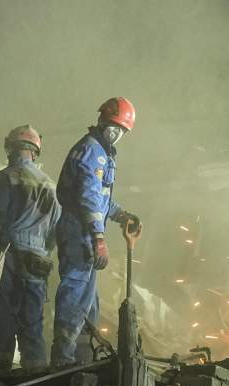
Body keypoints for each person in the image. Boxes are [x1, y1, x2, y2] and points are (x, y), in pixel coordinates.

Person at [51, 97, 142, 366]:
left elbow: (100, 199)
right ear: (105, 123)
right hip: (79, 231)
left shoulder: (101, 153)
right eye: (117, 128)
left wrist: (121, 214)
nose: (118, 135)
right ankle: (62, 359)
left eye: (123, 131)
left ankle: (83, 359)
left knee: (89, 303)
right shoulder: (91, 151)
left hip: (85, 230)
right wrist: (98, 237)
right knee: (76, 292)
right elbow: (88, 197)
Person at [0, 125, 61, 371]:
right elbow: (57, 229)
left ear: (10, 148)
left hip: (9, 253)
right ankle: (34, 369)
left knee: (3, 312)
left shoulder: (6, 177)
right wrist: (44, 250)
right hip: (39, 259)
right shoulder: (51, 184)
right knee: (33, 318)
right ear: (35, 152)